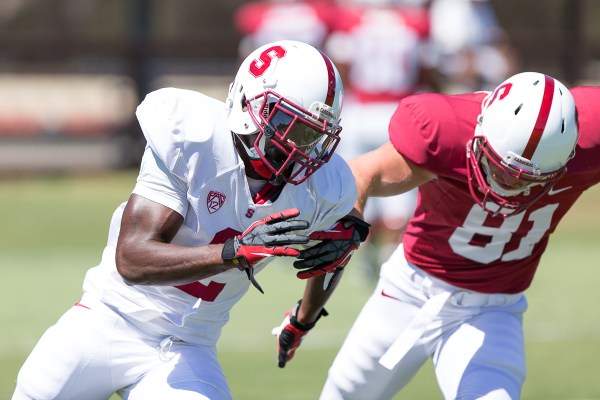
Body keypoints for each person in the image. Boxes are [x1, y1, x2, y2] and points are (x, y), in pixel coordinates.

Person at [12, 40, 369, 400]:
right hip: (107, 319)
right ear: (250, 102)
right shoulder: (193, 137)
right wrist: (232, 252)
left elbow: (339, 229)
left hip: (186, 346)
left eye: (310, 135)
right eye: (287, 125)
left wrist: (307, 312)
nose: (298, 148)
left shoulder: (321, 188)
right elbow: (132, 258)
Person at [320, 71, 600, 399]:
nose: (512, 186)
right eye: (502, 169)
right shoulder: (446, 131)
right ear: (480, 130)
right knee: (343, 394)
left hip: (494, 309)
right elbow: (362, 173)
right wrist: (347, 225)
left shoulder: (591, 142)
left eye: (530, 179)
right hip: (408, 291)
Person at [324, 0, 435, 280]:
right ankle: (391, 257)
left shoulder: (351, 20)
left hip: (359, 111)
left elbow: (341, 67)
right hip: (399, 111)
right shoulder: (415, 23)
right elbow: (425, 69)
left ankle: (360, 256)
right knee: (400, 192)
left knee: (356, 183)